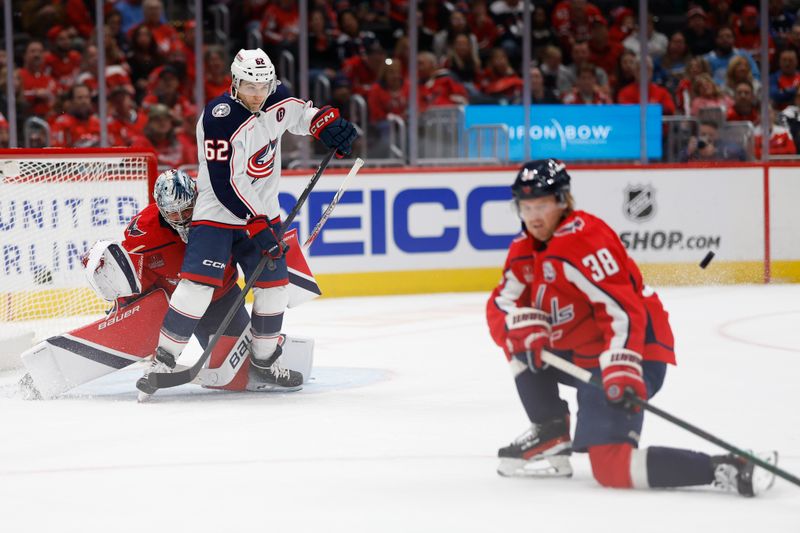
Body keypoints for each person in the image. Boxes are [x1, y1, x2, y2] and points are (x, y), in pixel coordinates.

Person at [485, 159, 776, 496]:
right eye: (526, 207)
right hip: (583, 352)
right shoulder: (524, 248)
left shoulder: (582, 241)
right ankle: (550, 429)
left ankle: (724, 468)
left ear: (563, 201)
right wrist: (515, 325)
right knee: (518, 335)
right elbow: (501, 303)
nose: (534, 217)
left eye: (543, 205)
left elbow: (623, 309)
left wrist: (623, 367)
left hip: (631, 351)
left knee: (612, 467)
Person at [135, 48, 357, 399]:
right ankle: (164, 359)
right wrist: (257, 226)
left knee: (275, 287)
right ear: (234, 82)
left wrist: (327, 124)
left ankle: (266, 360)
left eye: (263, 86)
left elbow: (301, 115)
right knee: (197, 287)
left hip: (263, 214)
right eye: (249, 86)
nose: (257, 94)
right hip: (217, 213)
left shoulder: (274, 97)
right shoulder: (219, 118)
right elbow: (225, 182)